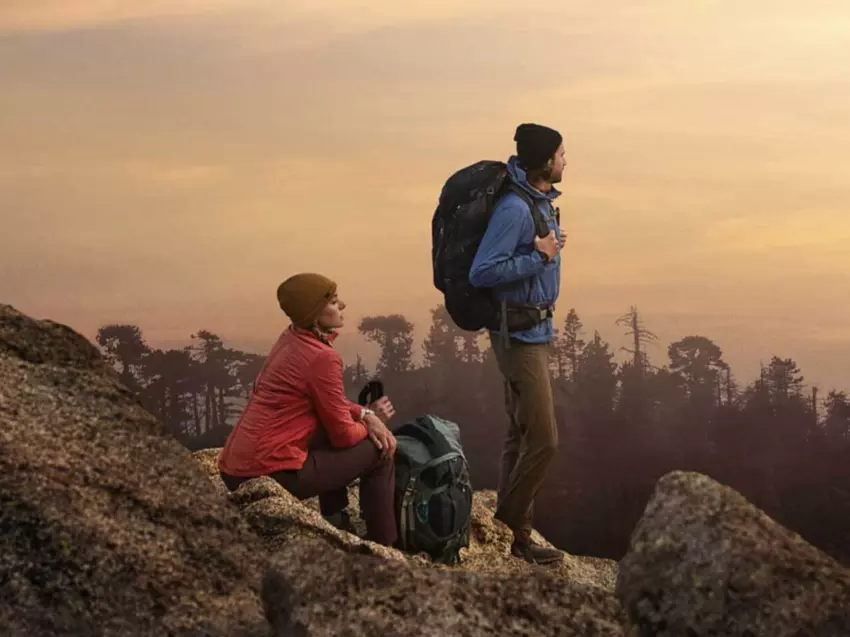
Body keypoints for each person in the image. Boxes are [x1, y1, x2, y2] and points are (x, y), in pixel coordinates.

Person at [218, 273, 399, 546]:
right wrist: (374, 422)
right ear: (315, 314)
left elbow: (331, 405)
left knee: (332, 427)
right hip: (269, 473)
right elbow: (343, 436)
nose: (343, 305)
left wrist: (365, 414)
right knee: (381, 449)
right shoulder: (322, 357)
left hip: (235, 468)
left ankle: (336, 522)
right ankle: (384, 546)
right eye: (334, 302)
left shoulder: (291, 338)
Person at [468, 123, 568, 564]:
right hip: (519, 338)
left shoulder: (538, 202)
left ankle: (515, 539)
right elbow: (482, 271)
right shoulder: (515, 208)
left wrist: (546, 250)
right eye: (561, 155)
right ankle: (509, 529)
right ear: (545, 161)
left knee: (520, 434)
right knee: (544, 440)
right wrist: (539, 255)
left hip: (533, 332)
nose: (566, 162)